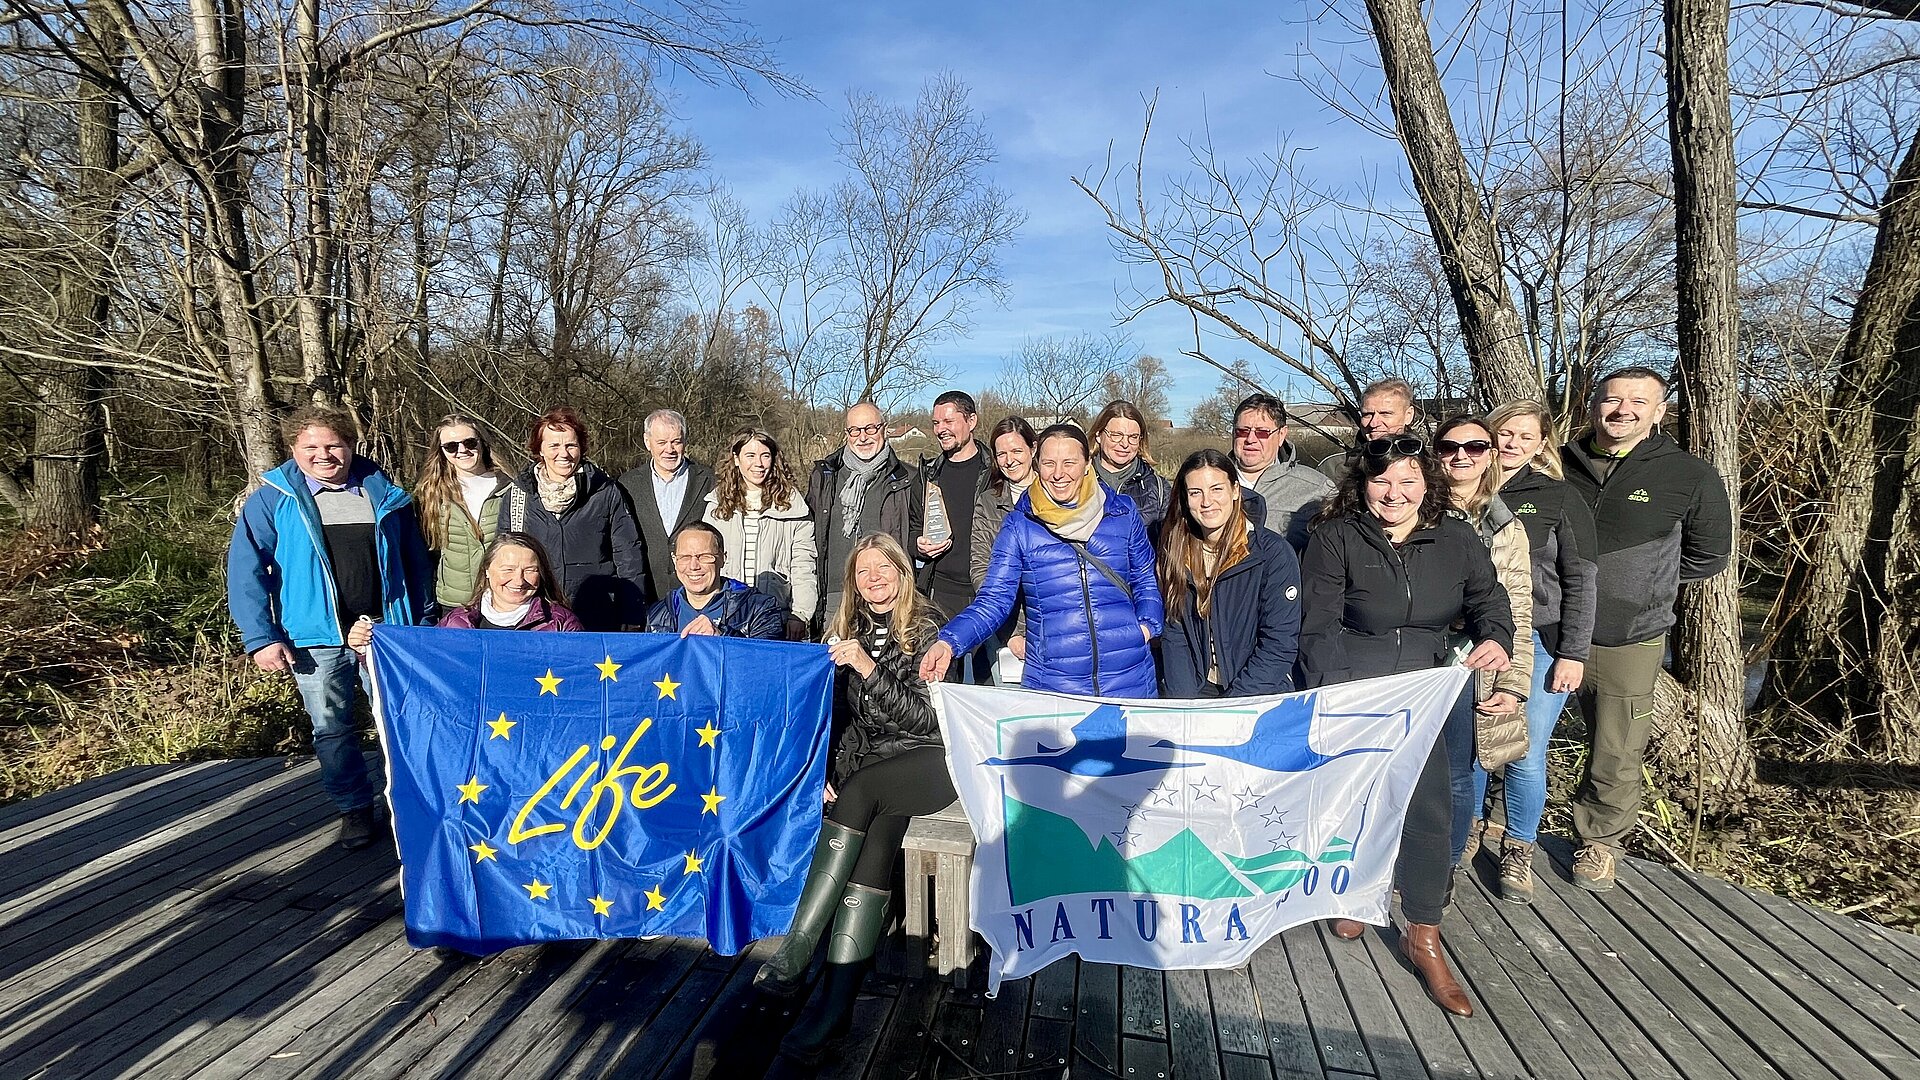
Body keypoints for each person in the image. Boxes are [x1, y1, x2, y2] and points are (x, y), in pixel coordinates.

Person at [1298, 436, 1513, 1017]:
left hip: (1431, 687)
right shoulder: (1335, 537)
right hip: (1358, 686)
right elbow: (1316, 624)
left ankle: (1424, 934)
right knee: (1358, 803)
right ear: (1362, 485)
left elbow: (1490, 598)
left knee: (1428, 810)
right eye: (1381, 481)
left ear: (1427, 484)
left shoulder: (1456, 536)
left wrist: (1496, 636)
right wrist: (1337, 692)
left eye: (1407, 481)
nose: (1394, 493)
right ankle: (1358, 894)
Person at [756, 535, 954, 1065]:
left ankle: (798, 947)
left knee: (865, 791)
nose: (872, 579)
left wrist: (867, 666)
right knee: (872, 848)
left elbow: (927, 720)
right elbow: (833, 717)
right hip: (871, 773)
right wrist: (824, 769)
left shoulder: (929, 628)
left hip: (930, 761)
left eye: (882, 568)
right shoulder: (847, 630)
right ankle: (835, 1010)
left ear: (902, 572)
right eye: (862, 571)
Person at [227, 407, 433, 850]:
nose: (324, 455)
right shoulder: (273, 500)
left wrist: (424, 620)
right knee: (332, 731)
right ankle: (354, 810)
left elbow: (416, 564)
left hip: (386, 635)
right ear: (294, 450)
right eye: (311, 447)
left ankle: (409, 808)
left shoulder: (384, 494)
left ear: (351, 444)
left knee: (400, 726)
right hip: (314, 641)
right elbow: (246, 571)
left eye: (333, 445)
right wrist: (262, 637)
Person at [1561, 367, 1732, 891]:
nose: (1623, 410)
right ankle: (1501, 821)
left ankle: (1599, 841)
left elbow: (1709, 555)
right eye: (1612, 400)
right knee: (1516, 730)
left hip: (1627, 635)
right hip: (1545, 628)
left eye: (1639, 402)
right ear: (1593, 406)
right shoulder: (1557, 462)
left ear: (1660, 412)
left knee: (1616, 744)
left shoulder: (1688, 474)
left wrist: (1642, 584)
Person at [921, 424, 1164, 697]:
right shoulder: (1020, 525)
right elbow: (994, 599)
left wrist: (1146, 626)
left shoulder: (1122, 512)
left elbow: (1145, 577)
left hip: (1128, 677)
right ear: (1037, 465)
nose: (1059, 474)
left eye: (1069, 463)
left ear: (1086, 464)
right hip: (1054, 684)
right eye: (1049, 463)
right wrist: (949, 642)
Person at [1471, 399, 1598, 903]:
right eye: (1504, 433)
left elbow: (1582, 578)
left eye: (1525, 436)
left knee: (1523, 747)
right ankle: (1471, 829)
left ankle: (1519, 847)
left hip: (1538, 640)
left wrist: (1574, 651)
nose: (1511, 444)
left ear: (1542, 442)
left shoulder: (1558, 496)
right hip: (1471, 641)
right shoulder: (1459, 489)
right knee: (1473, 742)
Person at [1431, 416, 1534, 873]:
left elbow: (1518, 611)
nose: (1461, 456)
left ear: (1491, 454)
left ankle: (1443, 869)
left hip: (1472, 664)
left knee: (1457, 773)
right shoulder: (1411, 506)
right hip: (1413, 658)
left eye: (1474, 447)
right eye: (1450, 446)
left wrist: (1513, 683)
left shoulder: (1507, 528)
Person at [1157, 450, 1301, 697]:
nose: (1206, 502)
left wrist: (1231, 706)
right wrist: (1183, 704)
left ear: (1235, 491)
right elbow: (1176, 634)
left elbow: (1279, 644)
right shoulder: (1177, 551)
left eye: (1216, 489)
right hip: (1199, 690)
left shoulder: (1271, 554)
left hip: (1256, 692)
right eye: (1195, 492)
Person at [499, 406, 646, 632]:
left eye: (570, 445)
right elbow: (503, 559)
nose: (563, 454)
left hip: (597, 615)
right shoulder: (519, 495)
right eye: (554, 446)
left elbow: (628, 556)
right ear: (539, 449)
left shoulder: (604, 491)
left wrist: (633, 613)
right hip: (536, 615)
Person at [807, 402, 918, 631]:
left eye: (870, 429)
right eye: (855, 430)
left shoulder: (909, 479)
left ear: (884, 429)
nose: (863, 437)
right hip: (835, 597)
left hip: (887, 597)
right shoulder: (825, 476)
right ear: (847, 434)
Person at [703, 427, 819, 637]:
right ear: (736, 459)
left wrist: (800, 614)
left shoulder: (793, 506)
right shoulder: (715, 505)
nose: (758, 463)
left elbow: (804, 565)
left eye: (765, 455)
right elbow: (706, 562)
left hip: (775, 616)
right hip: (726, 617)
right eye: (750, 455)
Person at [916, 390, 992, 679]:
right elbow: (912, 526)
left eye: (948, 420)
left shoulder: (995, 471)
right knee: (945, 682)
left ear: (971, 421)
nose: (940, 429)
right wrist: (918, 545)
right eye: (936, 423)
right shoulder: (928, 474)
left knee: (988, 683)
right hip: (941, 595)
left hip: (987, 593)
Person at [413, 414, 513, 611]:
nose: (462, 450)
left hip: (504, 600)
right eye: (451, 446)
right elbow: (426, 553)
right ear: (441, 451)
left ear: (482, 443)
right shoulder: (430, 494)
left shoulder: (510, 488)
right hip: (454, 603)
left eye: (469, 442)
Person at [618, 409, 716, 603]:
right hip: (647, 594)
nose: (669, 450)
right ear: (648, 442)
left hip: (697, 596)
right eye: (662, 442)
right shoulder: (627, 484)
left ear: (685, 442)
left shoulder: (709, 481)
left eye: (676, 442)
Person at [971, 417, 1037, 684]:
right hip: (1006, 627)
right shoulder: (989, 502)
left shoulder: (1057, 494)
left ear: (1033, 449)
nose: (1009, 460)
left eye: (1017, 451)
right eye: (1002, 454)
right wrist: (1012, 632)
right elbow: (980, 569)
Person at [643, 522, 786, 639]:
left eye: (704, 556)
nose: (693, 566)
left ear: (723, 558)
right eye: (685, 557)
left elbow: (767, 663)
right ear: (675, 561)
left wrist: (722, 637)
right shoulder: (658, 613)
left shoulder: (759, 609)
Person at [1231, 393, 1335, 552]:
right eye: (1242, 431)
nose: (1250, 439)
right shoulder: (1205, 484)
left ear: (1281, 435)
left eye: (1262, 432)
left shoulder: (1318, 489)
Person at [429, 532, 583, 631]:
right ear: (487, 570)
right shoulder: (455, 624)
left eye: (530, 570)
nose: (519, 580)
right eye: (508, 569)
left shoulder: (561, 624)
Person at [1089, 400, 1172, 535]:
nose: (1125, 444)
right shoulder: (1077, 481)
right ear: (1098, 435)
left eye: (1133, 437)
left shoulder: (1159, 489)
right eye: (1116, 435)